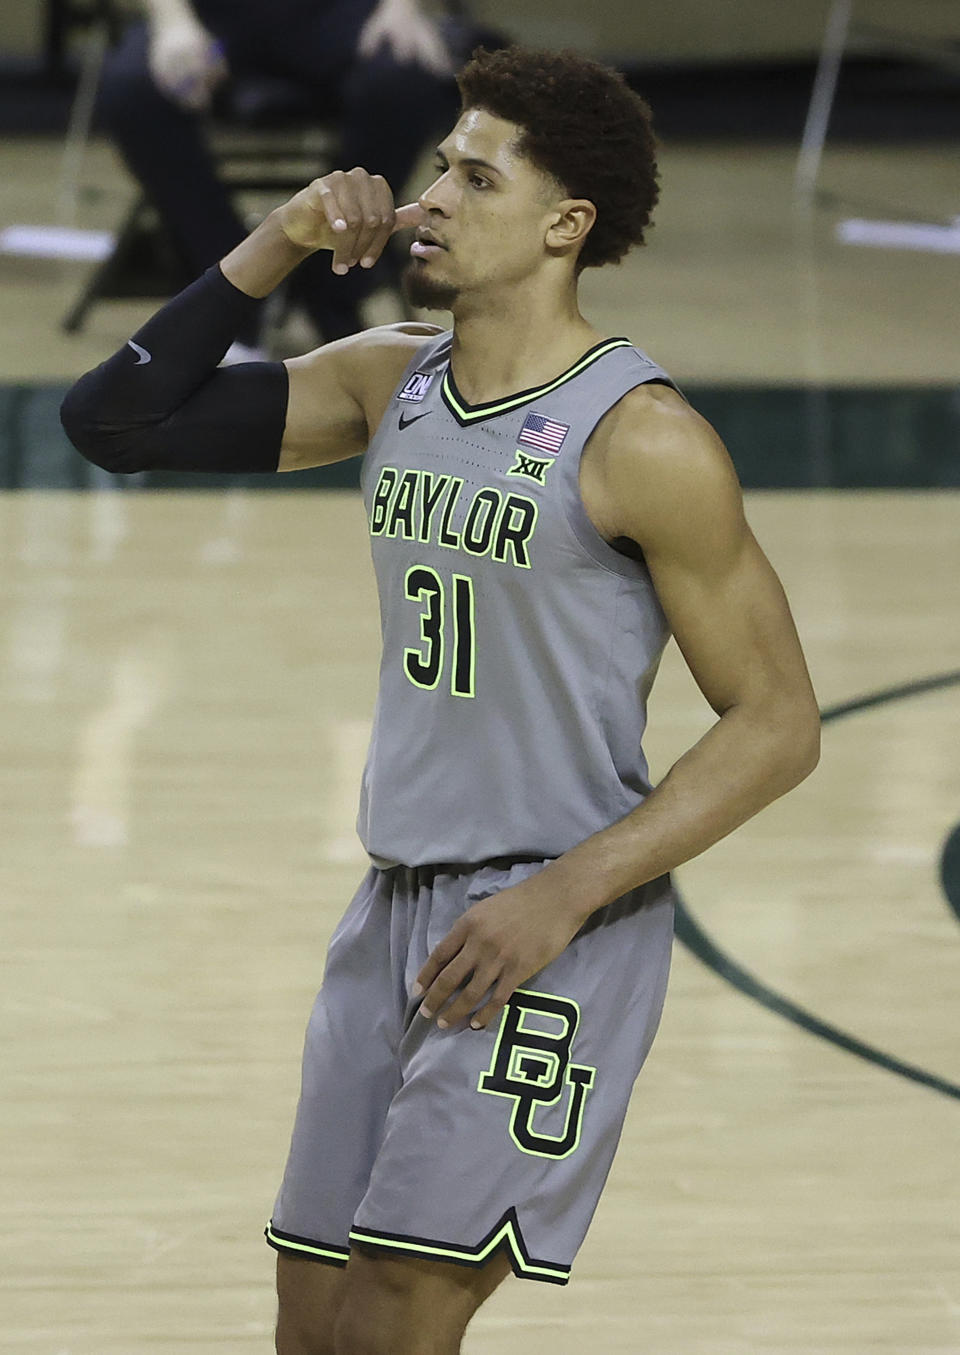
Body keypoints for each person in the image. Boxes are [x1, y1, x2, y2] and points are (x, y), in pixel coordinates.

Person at [62, 46, 821, 1355]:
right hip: (394, 905)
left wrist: (564, 893)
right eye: (437, 169)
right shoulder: (389, 378)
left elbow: (778, 720)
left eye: (474, 177)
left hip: (550, 922)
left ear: (562, 223)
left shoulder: (641, 437)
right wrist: (285, 236)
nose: (428, 199)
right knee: (311, 1325)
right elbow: (114, 419)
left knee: (387, 1325)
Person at [97, 0, 462, 351]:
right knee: (131, 87)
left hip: (336, 17)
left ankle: (333, 283)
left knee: (404, 75)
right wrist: (174, 20)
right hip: (216, 25)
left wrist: (401, 7)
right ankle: (231, 277)